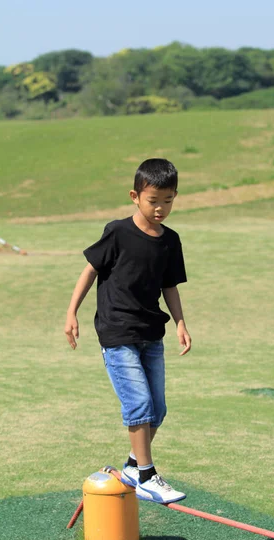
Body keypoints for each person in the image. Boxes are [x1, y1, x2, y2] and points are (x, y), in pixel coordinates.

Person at [64, 158, 191, 504]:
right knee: (139, 403)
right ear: (135, 196)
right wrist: (71, 312)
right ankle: (148, 475)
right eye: (153, 201)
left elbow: (170, 287)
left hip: (152, 333)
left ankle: (135, 465)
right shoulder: (118, 232)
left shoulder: (170, 241)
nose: (161, 208)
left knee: (158, 410)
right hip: (117, 331)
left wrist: (180, 322)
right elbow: (89, 271)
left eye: (168, 200)